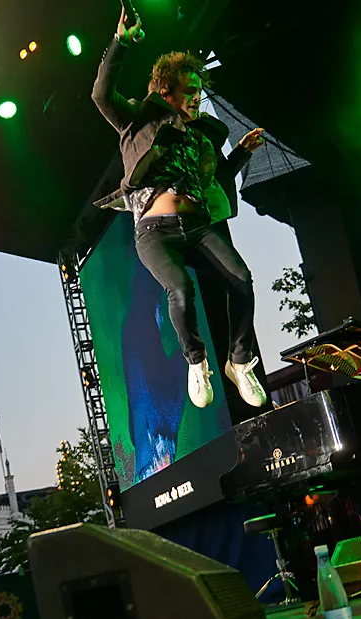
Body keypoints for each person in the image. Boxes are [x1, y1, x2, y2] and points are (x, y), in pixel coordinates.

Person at [92, 7, 268, 409]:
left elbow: (214, 179)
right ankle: (196, 361)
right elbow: (101, 94)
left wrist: (241, 153)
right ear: (165, 92)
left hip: (198, 229)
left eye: (198, 90)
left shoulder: (200, 136)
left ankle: (239, 362)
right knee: (181, 289)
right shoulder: (138, 120)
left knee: (241, 279)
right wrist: (120, 42)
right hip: (156, 234)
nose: (196, 97)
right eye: (188, 90)